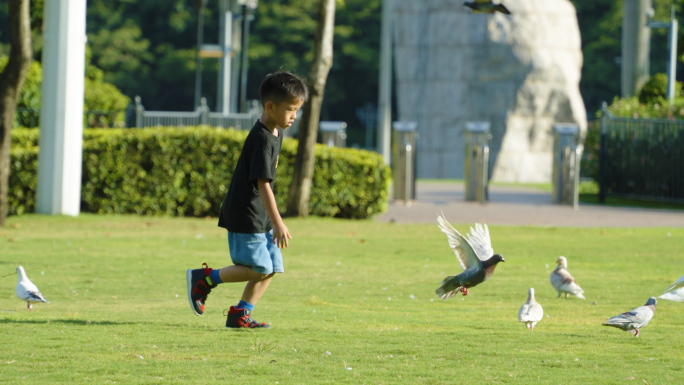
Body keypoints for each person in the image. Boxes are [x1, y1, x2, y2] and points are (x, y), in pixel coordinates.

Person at [186, 71, 308, 329]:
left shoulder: (275, 132)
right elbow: (262, 183)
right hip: (246, 213)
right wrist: (278, 222)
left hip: (260, 213)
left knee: (272, 266)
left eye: (297, 110)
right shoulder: (262, 138)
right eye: (290, 110)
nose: (294, 116)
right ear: (270, 106)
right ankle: (205, 279)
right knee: (257, 268)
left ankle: (241, 313)